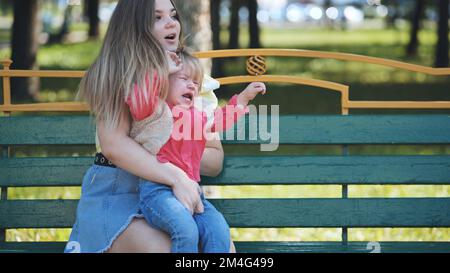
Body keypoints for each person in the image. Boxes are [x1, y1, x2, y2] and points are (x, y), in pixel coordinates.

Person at [64, 0, 233, 253]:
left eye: (173, 15)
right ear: (134, 28)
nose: (171, 23)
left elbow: (214, 159)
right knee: (165, 248)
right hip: (119, 190)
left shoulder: (192, 80)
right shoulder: (117, 73)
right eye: (157, 17)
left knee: (223, 248)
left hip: (173, 195)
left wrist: (175, 150)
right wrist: (175, 175)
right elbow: (114, 145)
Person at [127, 49, 266, 253]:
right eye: (184, 79)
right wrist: (158, 73)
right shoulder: (154, 110)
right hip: (158, 191)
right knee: (186, 229)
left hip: (193, 192)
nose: (192, 85)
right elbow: (137, 100)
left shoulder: (197, 116)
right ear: (163, 82)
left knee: (218, 230)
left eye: (196, 82)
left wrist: (243, 99)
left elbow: (218, 122)